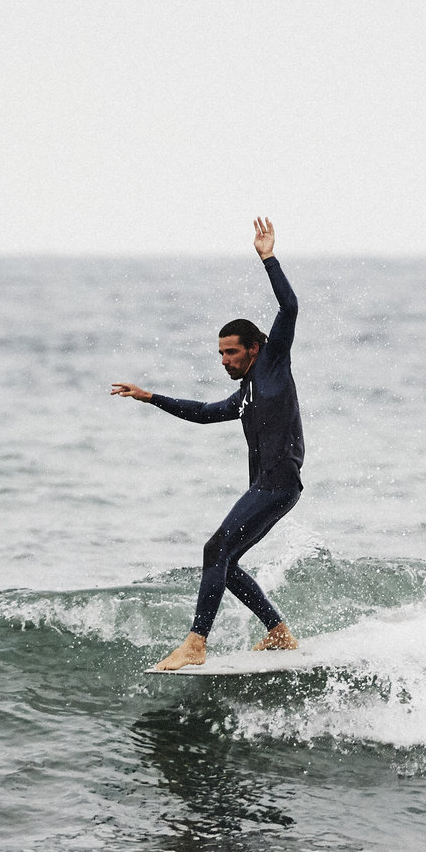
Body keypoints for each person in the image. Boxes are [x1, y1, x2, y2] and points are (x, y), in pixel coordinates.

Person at [111, 217, 306, 670]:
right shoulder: (246, 395)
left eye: (231, 352)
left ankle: (196, 643)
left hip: (278, 482)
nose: (224, 360)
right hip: (272, 486)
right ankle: (278, 633)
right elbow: (204, 412)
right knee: (227, 561)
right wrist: (152, 397)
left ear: (254, 348)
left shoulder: (273, 364)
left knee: (214, 551)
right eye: (219, 354)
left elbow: (290, 307)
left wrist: (268, 257)